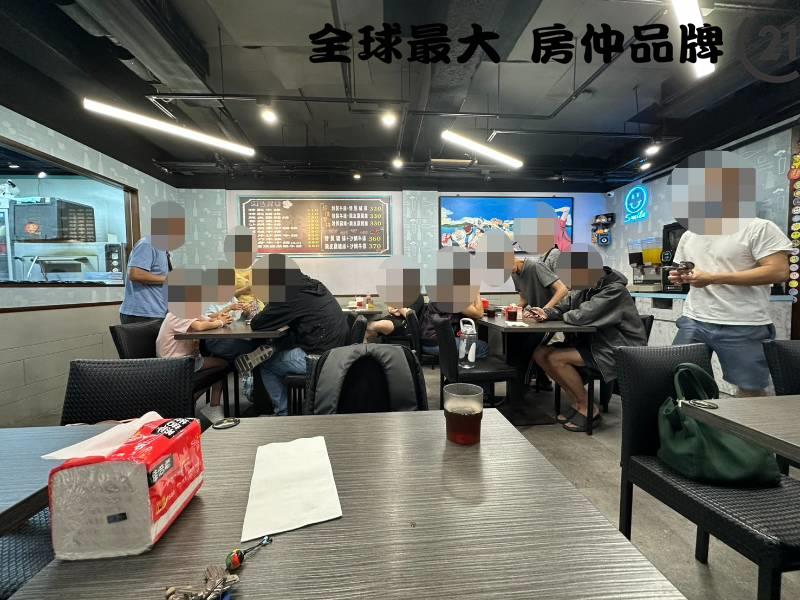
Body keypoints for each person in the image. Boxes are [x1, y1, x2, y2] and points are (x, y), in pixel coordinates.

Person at [667, 151, 791, 396]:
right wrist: (679, 277)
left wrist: (713, 278)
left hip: (743, 323)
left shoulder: (758, 228)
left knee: (750, 389)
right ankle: (695, 422)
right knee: (681, 380)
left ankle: (744, 424)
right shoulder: (690, 234)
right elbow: (685, 270)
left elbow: (779, 271)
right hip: (694, 319)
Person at [532, 262, 646, 432]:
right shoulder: (588, 288)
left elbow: (583, 316)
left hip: (616, 349)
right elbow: (565, 306)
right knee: (540, 353)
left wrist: (559, 315)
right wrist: (547, 312)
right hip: (594, 343)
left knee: (555, 358)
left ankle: (588, 408)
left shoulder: (615, 290)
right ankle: (578, 403)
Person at [249, 257, 349, 416]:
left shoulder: (288, 293)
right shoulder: (313, 285)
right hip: (338, 354)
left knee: (266, 364)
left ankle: (282, 414)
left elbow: (258, 323)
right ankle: (274, 350)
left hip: (318, 359)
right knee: (283, 344)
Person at [156, 304, 236, 407]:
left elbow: (208, 320)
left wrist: (218, 319)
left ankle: (210, 404)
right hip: (175, 362)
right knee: (223, 364)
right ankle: (192, 401)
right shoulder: (178, 314)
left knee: (218, 364)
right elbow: (199, 326)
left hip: (182, 359)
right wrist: (220, 322)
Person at [510, 254, 569, 391]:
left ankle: (521, 389)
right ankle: (542, 381)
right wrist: (513, 308)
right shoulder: (514, 273)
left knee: (529, 347)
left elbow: (563, 290)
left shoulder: (535, 266)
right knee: (514, 341)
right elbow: (524, 298)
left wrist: (545, 311)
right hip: (538, 319)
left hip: (553, 318)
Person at [419, 290, 489, 359]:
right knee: (483, 347)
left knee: (473, 342)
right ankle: (464, 365)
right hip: (436, 344)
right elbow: (479, 314)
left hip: (430, 341)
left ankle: (459, 362)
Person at [119, 235, 170, 324]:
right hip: (143, 315)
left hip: (158, 313)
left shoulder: (163, 249)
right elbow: (136, 274)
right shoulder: (148, 244)